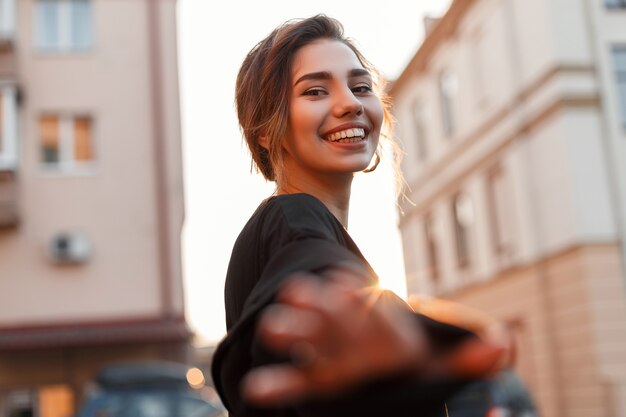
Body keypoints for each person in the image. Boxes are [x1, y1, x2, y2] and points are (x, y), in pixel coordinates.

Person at [211, 14, 507, 417]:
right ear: (265, 129)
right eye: (315, 91)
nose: (349, 103)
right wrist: (432, 343)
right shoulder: (291, 220)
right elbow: (312, 265)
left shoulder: (309, 234)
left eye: (361, 86)